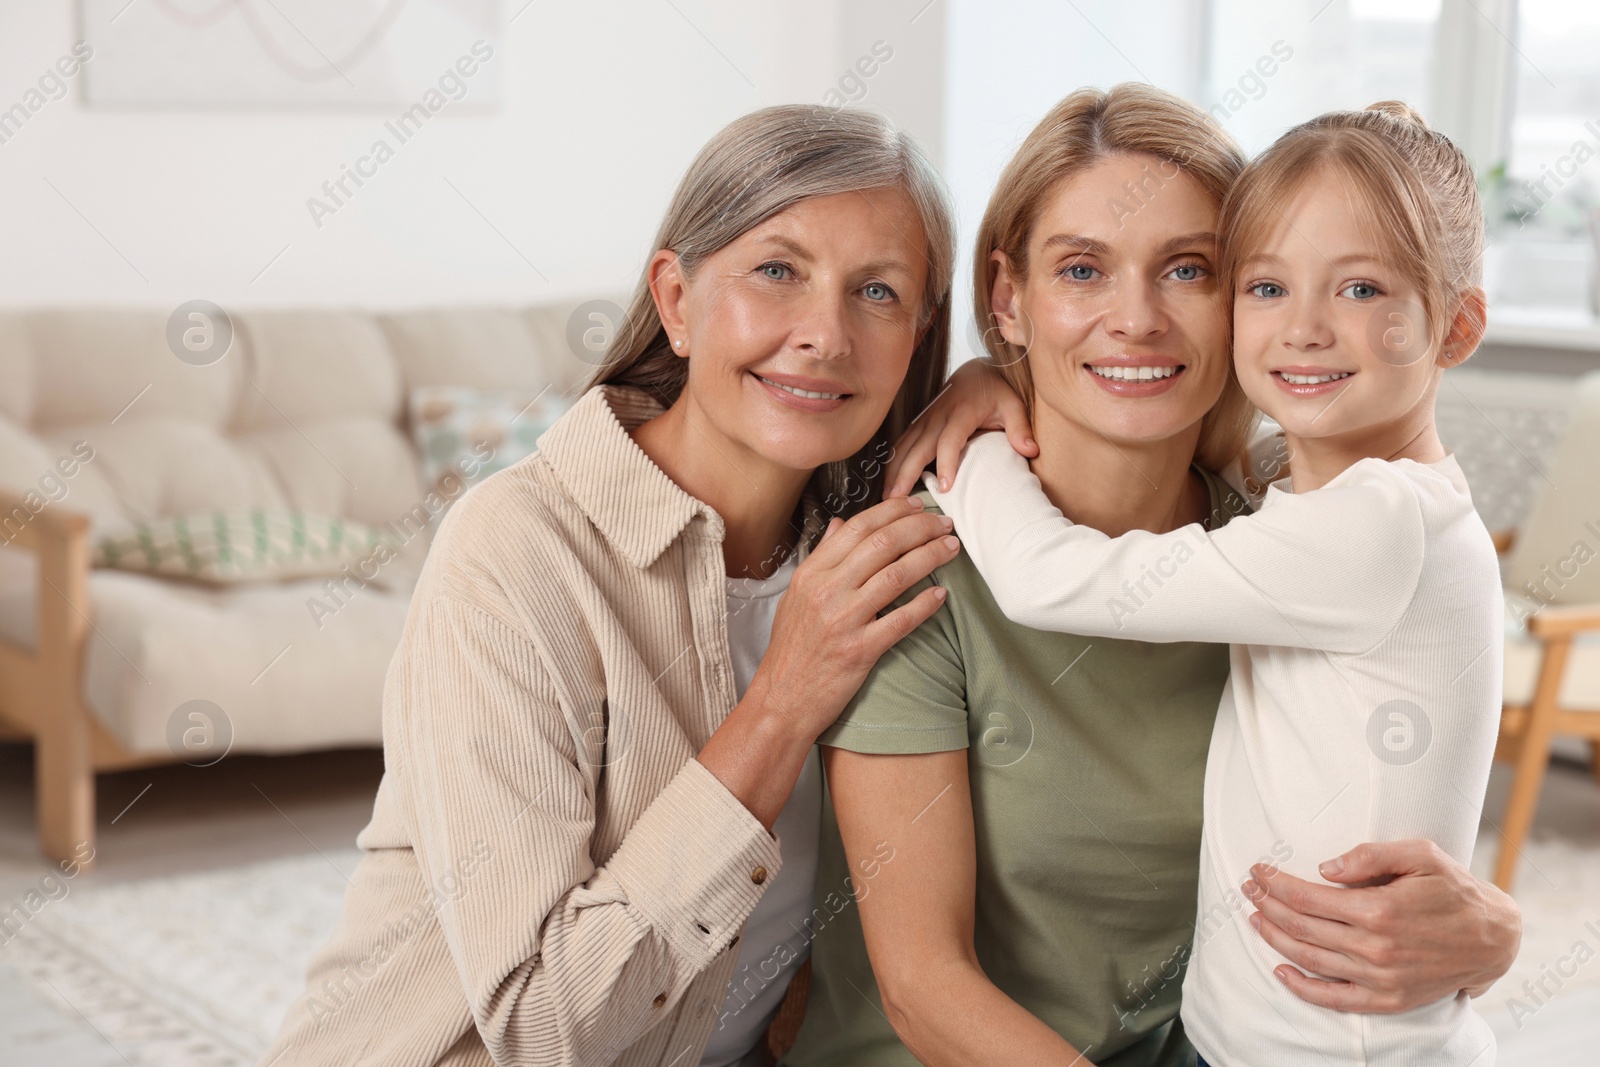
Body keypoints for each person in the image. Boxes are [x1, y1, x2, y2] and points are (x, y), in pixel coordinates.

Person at [781, 84, 1520, 1067]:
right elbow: (923, 990)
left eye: (1189, 269)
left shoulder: (1264, 548)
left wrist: (1490, 934)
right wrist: (981, 394)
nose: (1134, 318)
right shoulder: (921, 575)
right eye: (1081, 268)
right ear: (1008, 297)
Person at [257, 103, 962, 1067]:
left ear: (920, 337)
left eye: (877, 292)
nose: (826, 334)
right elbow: (546, 1027)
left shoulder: (881, 551)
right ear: (675, 299)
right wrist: (783, 700)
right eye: (778, 270)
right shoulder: (516, 550)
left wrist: (999, 391)